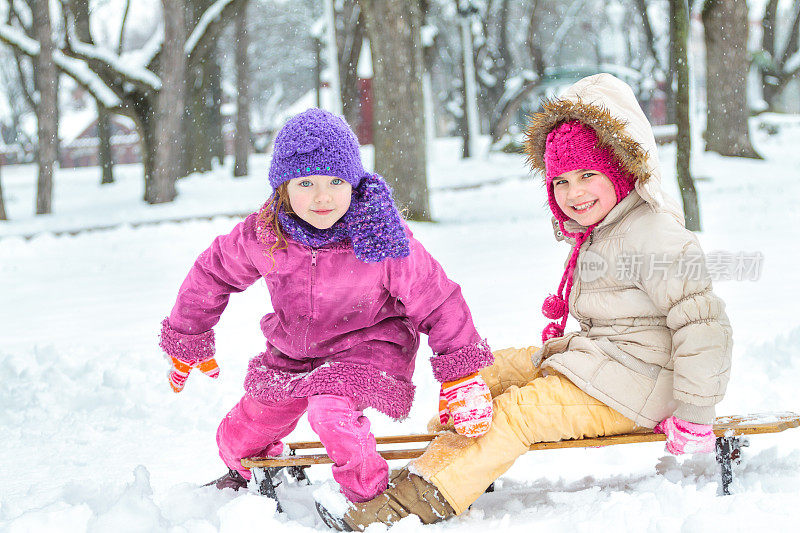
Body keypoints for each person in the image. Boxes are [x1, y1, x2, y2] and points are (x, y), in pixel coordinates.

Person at [317, 73, 733, 530]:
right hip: (605, 366)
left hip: (642, 388)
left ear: (618, 169)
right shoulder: (608, 228)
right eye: (561, 182)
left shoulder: (655, 233)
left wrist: (694, 412)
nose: (574, 194)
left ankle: (408, 507)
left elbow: (704, 324)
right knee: (481, 373)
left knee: (516, 413)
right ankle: (446, 468)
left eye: (588, 175)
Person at [158, 108, 494, 504]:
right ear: (283, 187)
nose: (322, 197)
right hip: (292, 355)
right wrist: (188, 336)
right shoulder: (266, 235)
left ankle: (370, 498)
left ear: (353, 181)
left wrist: (461, 373)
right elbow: (212, 273)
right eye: (306, 182)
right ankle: (258, 473)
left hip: (367, 350)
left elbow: (436, 299)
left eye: (336, 181)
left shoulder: (378, 234)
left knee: (329, 414)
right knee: (238, 437)